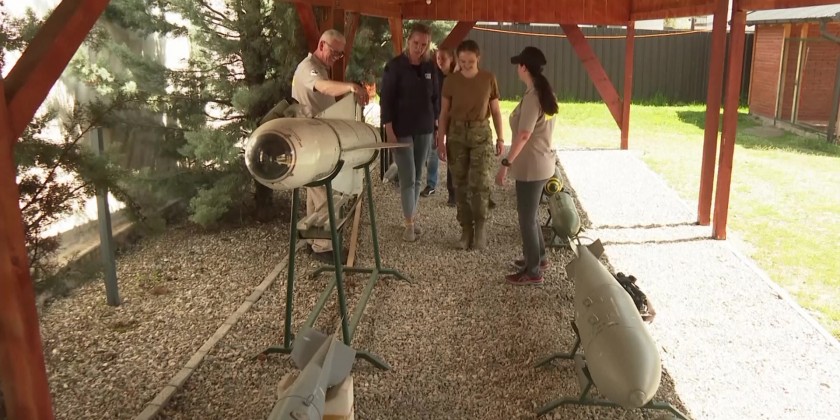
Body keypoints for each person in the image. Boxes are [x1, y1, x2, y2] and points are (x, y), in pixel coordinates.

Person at [292, 29, 369, 263]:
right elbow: (323, 87)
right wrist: (350, 87)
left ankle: (313, 242)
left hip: (318, 139)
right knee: (326, 192)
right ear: (321, 45)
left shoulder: (321, 67)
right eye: (333, 53)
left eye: (339, 55)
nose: (335, 58)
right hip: (310, 141)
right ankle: (324, 248)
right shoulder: (309, 68)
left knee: (315, 192)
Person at [495, 46, 559, 286]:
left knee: (527, 218)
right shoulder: (544, 92)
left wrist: (506, 163)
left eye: (518, 65)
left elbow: (524, 134)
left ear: (524, 67)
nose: (517, 68)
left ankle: (533, 271)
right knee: (530, 216)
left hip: (531, 167)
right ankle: (538, 258)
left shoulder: (534, 97)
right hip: (542, 163)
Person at [436, 40, 505, 250]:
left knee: (481, 182)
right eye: (462, 61)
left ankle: (481, 227)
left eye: (471, 62)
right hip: (456, 135)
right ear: (457, 59)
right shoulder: (451, 81)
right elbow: (444, 113)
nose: (466, 65)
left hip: (481, 134)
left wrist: (501, 138)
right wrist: (441, 140)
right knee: (460, 184)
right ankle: (466, 229)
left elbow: (495, 111)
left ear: (478, 59)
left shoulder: (488, 79)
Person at [380, 23, 438, 242]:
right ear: (408, 41)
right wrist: (388, 128)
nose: (419, 48)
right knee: (408, 177)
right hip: (401, 128)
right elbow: (386, 100)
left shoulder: (430, 67)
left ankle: (411, 218)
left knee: (418, 176)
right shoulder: (394, 66)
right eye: (416, 43)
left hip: (424, 128)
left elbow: (436, 98)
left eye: (424, 44)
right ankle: (409, 224)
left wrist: (436, 126)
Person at [422, 47, 458, 205]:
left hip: (453, 120)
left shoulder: (456, 77)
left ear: (451, 59)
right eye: (438, 58)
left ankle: (454, 192)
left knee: (453, 154)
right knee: (433, 151)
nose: (440, 61)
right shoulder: (433, 75)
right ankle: (431, 184)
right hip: (436, 118)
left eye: (443, 58)